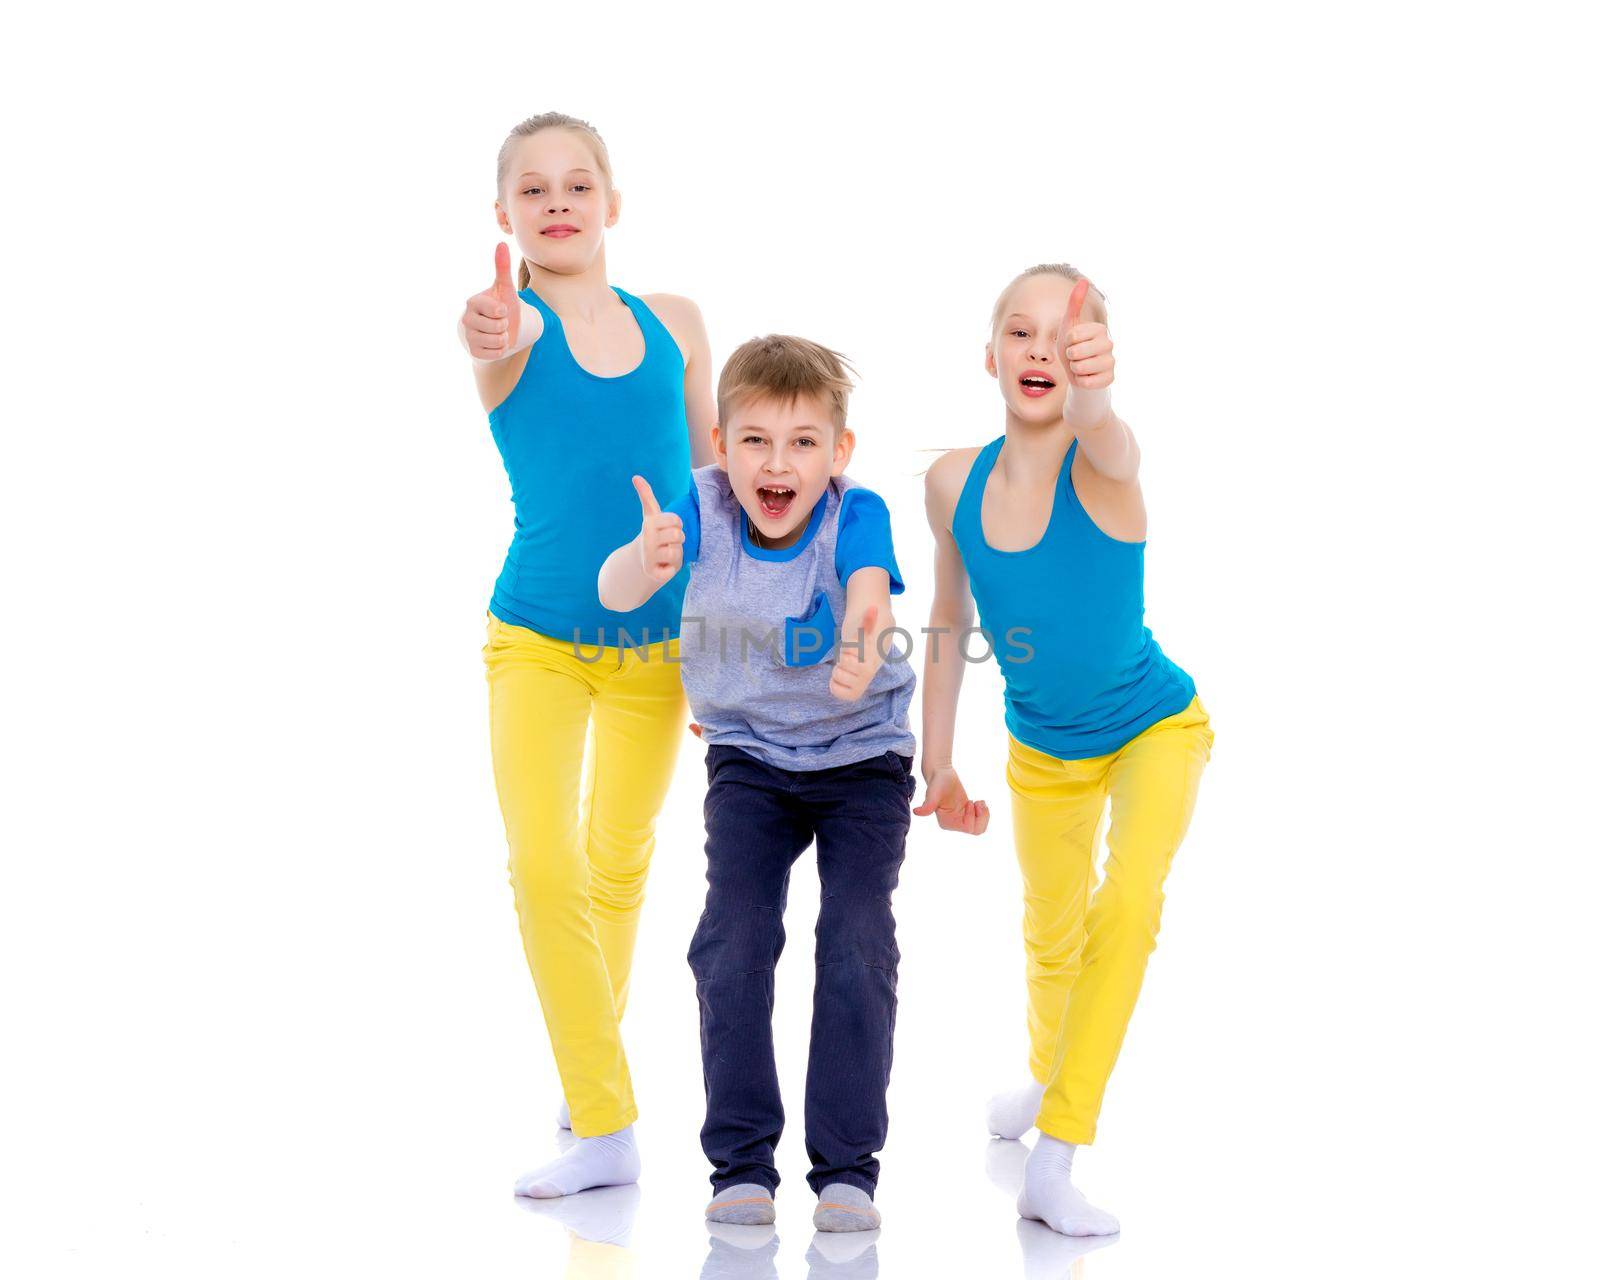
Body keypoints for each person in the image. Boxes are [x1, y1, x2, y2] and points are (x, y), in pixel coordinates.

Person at [917, 264, 1215, 1236]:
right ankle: (1046, 1077)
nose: (1040, 347)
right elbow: (949, 620)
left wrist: (1099, 395)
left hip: (1151, 730)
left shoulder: (1105, 466)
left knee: (1124, 907)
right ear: (990, 353)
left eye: (1063, 335)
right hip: (1040, 751)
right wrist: (937, 759)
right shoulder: (950, 482)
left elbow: (1112, 437)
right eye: (1020, 330)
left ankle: (1058, 1153)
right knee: (1050, 935)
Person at [598, 335, 916, 1232]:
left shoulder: (860, 513)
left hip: (862, 758)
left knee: (855, 938)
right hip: (748, 757)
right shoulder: (699, 506)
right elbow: (619, 592)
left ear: (838, 453)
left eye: (804, 442)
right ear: (720, 444)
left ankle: (847, 1169)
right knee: (733, 939)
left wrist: (862, 636)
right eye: (756, 442)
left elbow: (868, 591)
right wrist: (647, 558)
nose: (778, 464)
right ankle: (740, 1163)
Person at [459, 111, 714, 1198]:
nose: (557, 201)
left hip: (659, 645)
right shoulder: (509, 326)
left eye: (577, 184)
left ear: (612, 201)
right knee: (544, 865)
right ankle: (606, 1122)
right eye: (533, 190)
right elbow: (491, 334)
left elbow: (711, 476)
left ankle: (584, 1067)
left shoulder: (678, 321)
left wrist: (721, 636)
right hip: (537, 643)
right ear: (505, 215)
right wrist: (489, 324)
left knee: (619, 858)